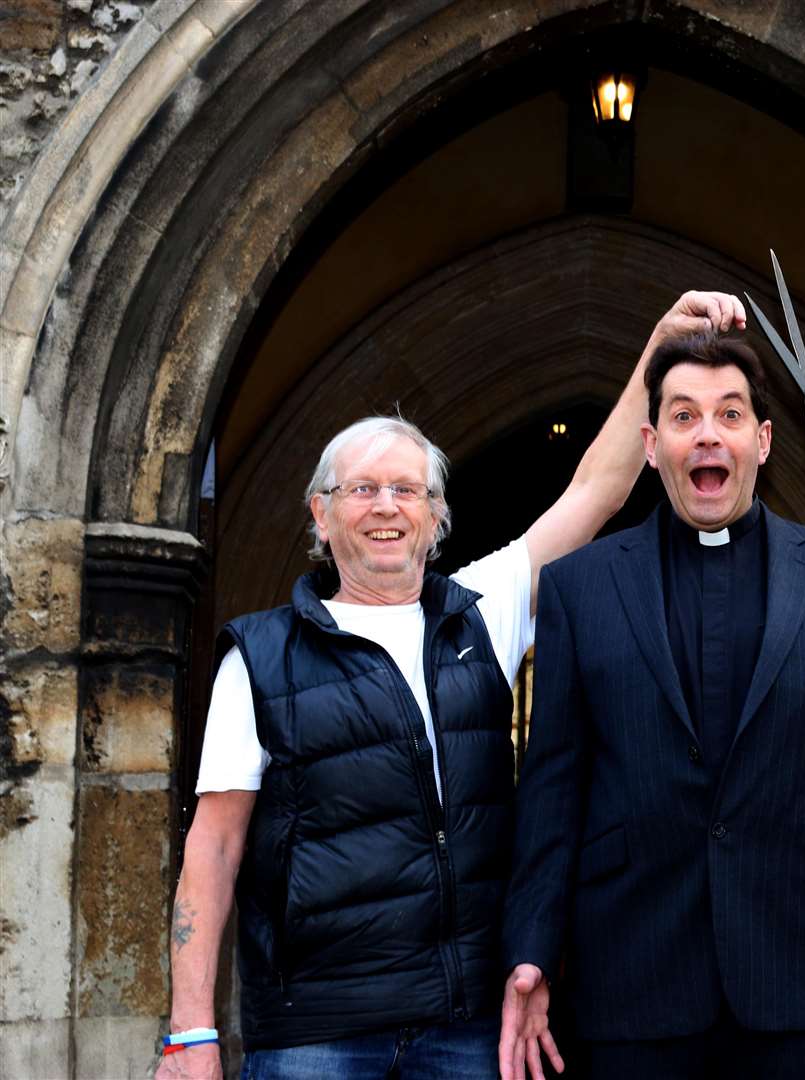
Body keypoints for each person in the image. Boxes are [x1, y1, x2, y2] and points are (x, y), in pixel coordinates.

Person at [155, 292, 747, 1080]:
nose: (387, 508)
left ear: (438, 518)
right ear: (321, 516)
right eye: (363, 490)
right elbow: (215, 845)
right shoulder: (259, 657)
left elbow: (591, 495)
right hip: (317, 1033)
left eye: (409, 491)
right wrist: (190, 1032)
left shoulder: (480, 614)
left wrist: (657, 351)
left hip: (463, 1026)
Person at [499, 332, 805, 1080]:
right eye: (683, 416)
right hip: (631, 980)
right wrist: (531, 951)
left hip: (799, 976)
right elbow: (552, 789)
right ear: (651, 445)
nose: (707, 433)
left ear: (763, 440)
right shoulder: (581, 589)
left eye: (729, 414)